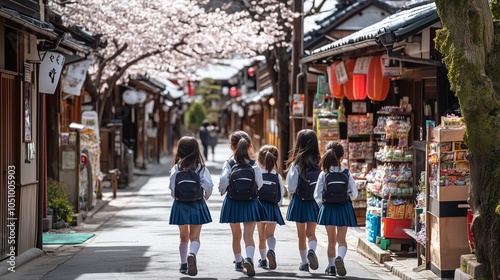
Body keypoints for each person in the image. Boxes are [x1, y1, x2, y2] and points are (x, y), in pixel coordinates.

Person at [219, 130, 265, 277]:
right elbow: (260, 183)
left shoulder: (229, 163)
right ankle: (249, 259)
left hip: (233, 201)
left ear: (231, 147)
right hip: (250, 202)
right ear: (249, 146)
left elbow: (223, 181)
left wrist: (222, 191)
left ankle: (239, 261)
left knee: (236, 235)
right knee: (249, 235)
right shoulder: (254, 165)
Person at [168, 136, 214, 276]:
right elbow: (209, 186)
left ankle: (183, 265)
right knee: (195, 237)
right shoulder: (200, 168)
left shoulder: (176, 168)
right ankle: (192, 254)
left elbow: (172, 189)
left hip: (180, 205)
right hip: (196, 203)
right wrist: (205, 196)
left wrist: (178, 197)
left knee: (183, 237)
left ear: (179, 150)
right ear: (196, 150)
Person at [314, 141, 358, 277]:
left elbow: (317, 194)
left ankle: (332, 267)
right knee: (342, 239)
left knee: (331, 240)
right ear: (342, 157)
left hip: (328, 208)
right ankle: (340, 257)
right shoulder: (346, 173)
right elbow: (354, 194)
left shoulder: (324, 173)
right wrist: (347, 198)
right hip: (344, 207)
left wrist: (323, 205)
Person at [285, 129, 321, 272]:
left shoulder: (296, 164)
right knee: (311, 233)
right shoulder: (320, 163)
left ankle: (304, 262)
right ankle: (312, 249)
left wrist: (290, 190)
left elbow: (291, 186)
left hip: (300, 201)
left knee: (301, 236)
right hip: (313, 202)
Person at [255, 145, 285, 270]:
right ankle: (271, 250)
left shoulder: (256, 173)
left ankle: (262, 260)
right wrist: (278, 204)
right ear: (275, 160)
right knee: (270, 234)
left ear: (259, 160)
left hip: (259, 207)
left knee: (261, 236)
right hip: (272, 208)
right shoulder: (277, 176)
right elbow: (281, 194)